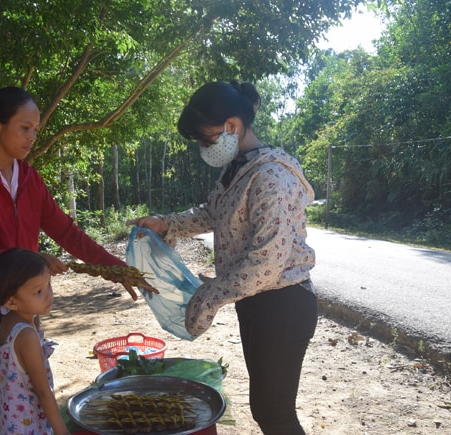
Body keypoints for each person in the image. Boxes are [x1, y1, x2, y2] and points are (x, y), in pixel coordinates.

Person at [0, 86, 156, 434]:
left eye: (36, 129)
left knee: (27, 390)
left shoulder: (29, 178)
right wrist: (23, 259)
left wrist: (117, 270)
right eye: (24, 127)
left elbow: (67, 233)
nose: (31, 136)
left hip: (25, 305)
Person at [127, 81, 318, 434]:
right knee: (266, 408)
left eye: (206, 139)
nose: (204, 147)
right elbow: (212, 214)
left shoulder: (271, 175)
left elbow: (266, 263)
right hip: (259, 304)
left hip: (283, 305)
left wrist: (209, 297)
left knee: (274, 412)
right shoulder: (239, 170)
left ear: (231, 126)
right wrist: (166, 224)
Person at [0, 248, 69, 435]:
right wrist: (62, 432)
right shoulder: (26, 336)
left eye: (48, 284)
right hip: (27, 426)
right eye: (38, 291)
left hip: (8, 424)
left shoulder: (5, 325)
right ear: (11, 302)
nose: (49, 294)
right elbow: (43, 392)